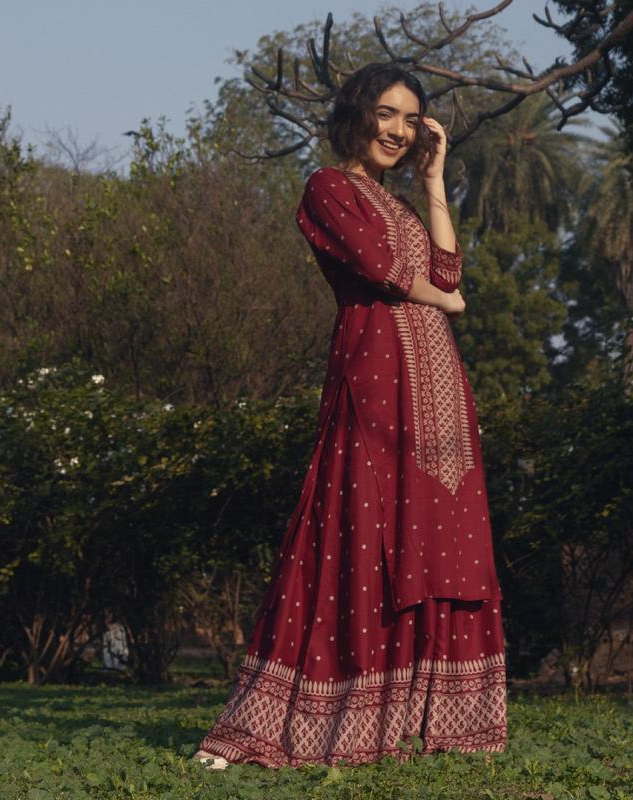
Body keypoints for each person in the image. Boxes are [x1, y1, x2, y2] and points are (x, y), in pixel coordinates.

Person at [194, 62, 507, 769]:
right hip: (375, 373)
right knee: (362, 534)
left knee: (440, 542)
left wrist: (433, 184)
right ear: (356, 114)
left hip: (437, 381)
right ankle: (308, 717)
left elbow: (448, 273)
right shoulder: (329, 188)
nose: (398, 131)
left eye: (410, 119)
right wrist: (445, 301)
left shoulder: (399, 203)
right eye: (387, 115)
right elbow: (381, 269)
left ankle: (430, 719)